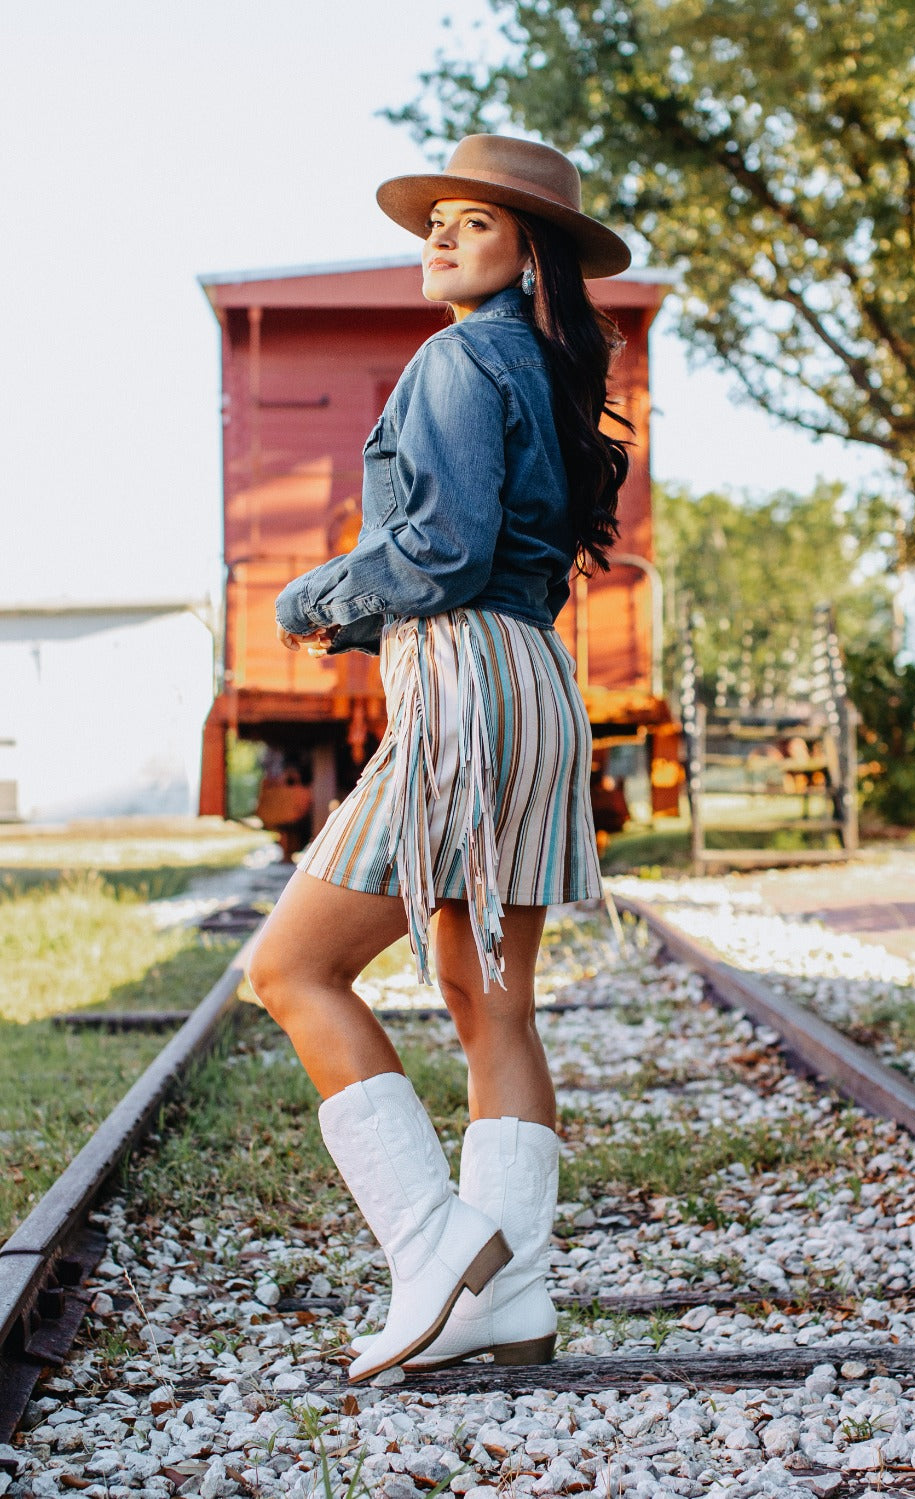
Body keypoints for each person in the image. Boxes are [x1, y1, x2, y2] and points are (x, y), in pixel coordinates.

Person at [247, 133, 632, 1384]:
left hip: (465, 680)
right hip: (532, 679)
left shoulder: (458, 355)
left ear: (532, 251)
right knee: (490, 1001)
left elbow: (447, 547)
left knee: (293, 967)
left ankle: (433, 1241)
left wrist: (317, 598)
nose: (443, 238)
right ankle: (509, 1295)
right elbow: (493, 554)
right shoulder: (547, 368)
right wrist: (375, 610)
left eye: (476, 223)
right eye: (439, 221)